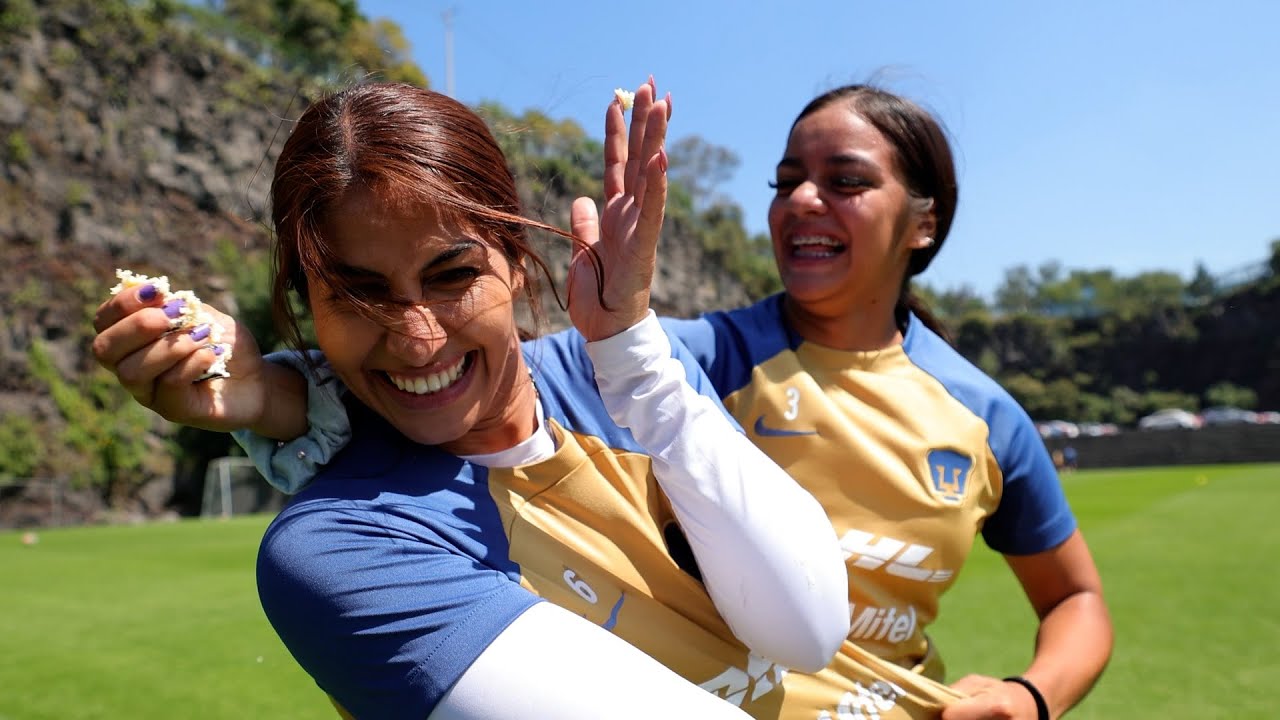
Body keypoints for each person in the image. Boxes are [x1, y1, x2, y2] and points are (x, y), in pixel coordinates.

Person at [236, 83, 1114, 719]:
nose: (804, 200)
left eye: (845, 181)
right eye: (785, 179)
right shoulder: (690, 354)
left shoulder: (983, 412)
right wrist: (274, 390)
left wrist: (1032, 695)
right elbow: (496, 377)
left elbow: (1074, 596)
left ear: (925, 221)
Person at [89, 80, 853, 719]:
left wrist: (633, 349)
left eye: (453, 276)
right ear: (307, 306)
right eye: (359, 294)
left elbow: (809, 633)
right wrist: (277, 390)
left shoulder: (629, 372)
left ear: (516, 261)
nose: (418, 339)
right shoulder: (340, 548)